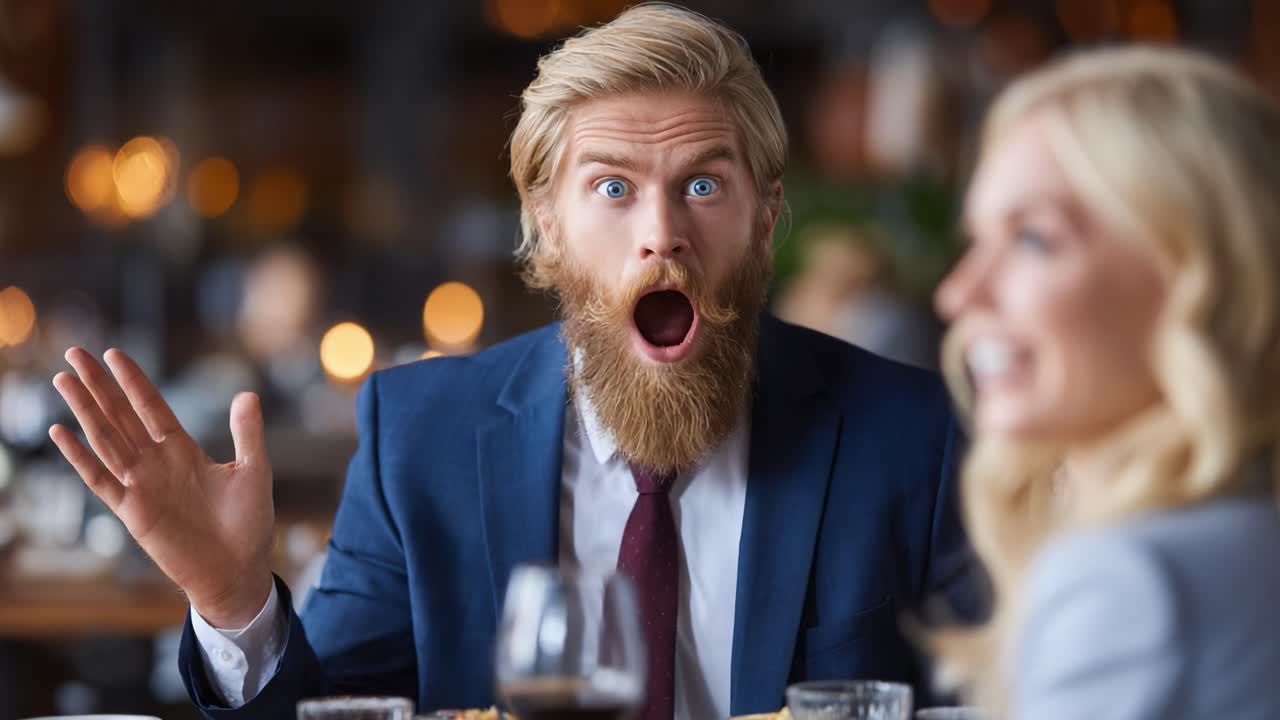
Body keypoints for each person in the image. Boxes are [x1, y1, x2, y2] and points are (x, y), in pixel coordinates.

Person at [48, 5, 972, 719]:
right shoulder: (420, 435)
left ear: (767, 220)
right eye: (612, 187)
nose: (662, 236)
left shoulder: (914, 436)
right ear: (546, 226)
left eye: (703, 184)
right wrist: (232, 598)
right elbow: (337, 709)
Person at [932, 46, 1280, 719]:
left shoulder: (1129, 581)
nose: (960, 293)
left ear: (1197, 274)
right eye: (977, 239)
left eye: (1033, 239)